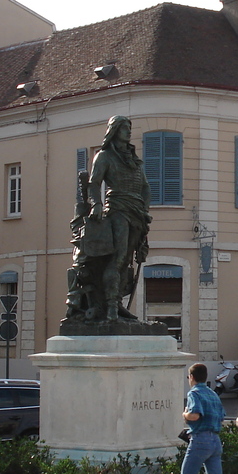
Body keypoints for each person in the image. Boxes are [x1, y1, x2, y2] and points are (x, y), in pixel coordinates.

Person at [87, 115, 151, 323]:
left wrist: (146, 210)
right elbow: (94, 183)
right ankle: (111, 308)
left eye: (129, 128)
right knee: (119, 257)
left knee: (128, 262)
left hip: (136, 212)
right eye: (124, 128)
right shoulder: (104, 156)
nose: (128, 131)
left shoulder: (135, 160)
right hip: (117, 209)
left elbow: (145, 187)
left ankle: (118, 304)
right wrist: (96, 204)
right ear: (114, 131)